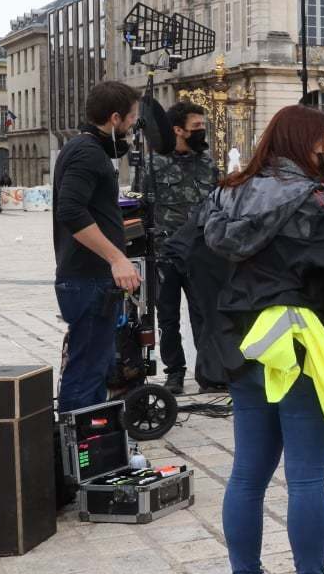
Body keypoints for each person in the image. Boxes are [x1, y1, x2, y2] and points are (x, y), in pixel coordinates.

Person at [201, 105, 324, 574]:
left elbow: (197, 250)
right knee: (305, 476)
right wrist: (307, 260)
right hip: (296, 338)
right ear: (306, 144)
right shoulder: (311, 200)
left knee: (247, 473)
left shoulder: (227, 192)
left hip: (241, 339)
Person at [52, 81, 142, 413]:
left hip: (91, 279)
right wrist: (117, 257)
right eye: (132, 118)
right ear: (115, 118)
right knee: (86, 370)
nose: (134, 125)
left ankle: (88, 444)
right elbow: (71, 211)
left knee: (94, 366)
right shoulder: (87, 152)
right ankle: (78, 449)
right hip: (88, 280)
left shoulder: (86, 149)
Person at [136, 101, 219, 395]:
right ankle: (175, 374)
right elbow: (143, 207)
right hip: (165, 254)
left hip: (201, 254)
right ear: (178, 130)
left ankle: (209, 372)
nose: (201, 131)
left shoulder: (207, 162)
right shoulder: (154, 164)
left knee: (205, 314)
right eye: (196, 127)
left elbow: (218, 204)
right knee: (168, 318)